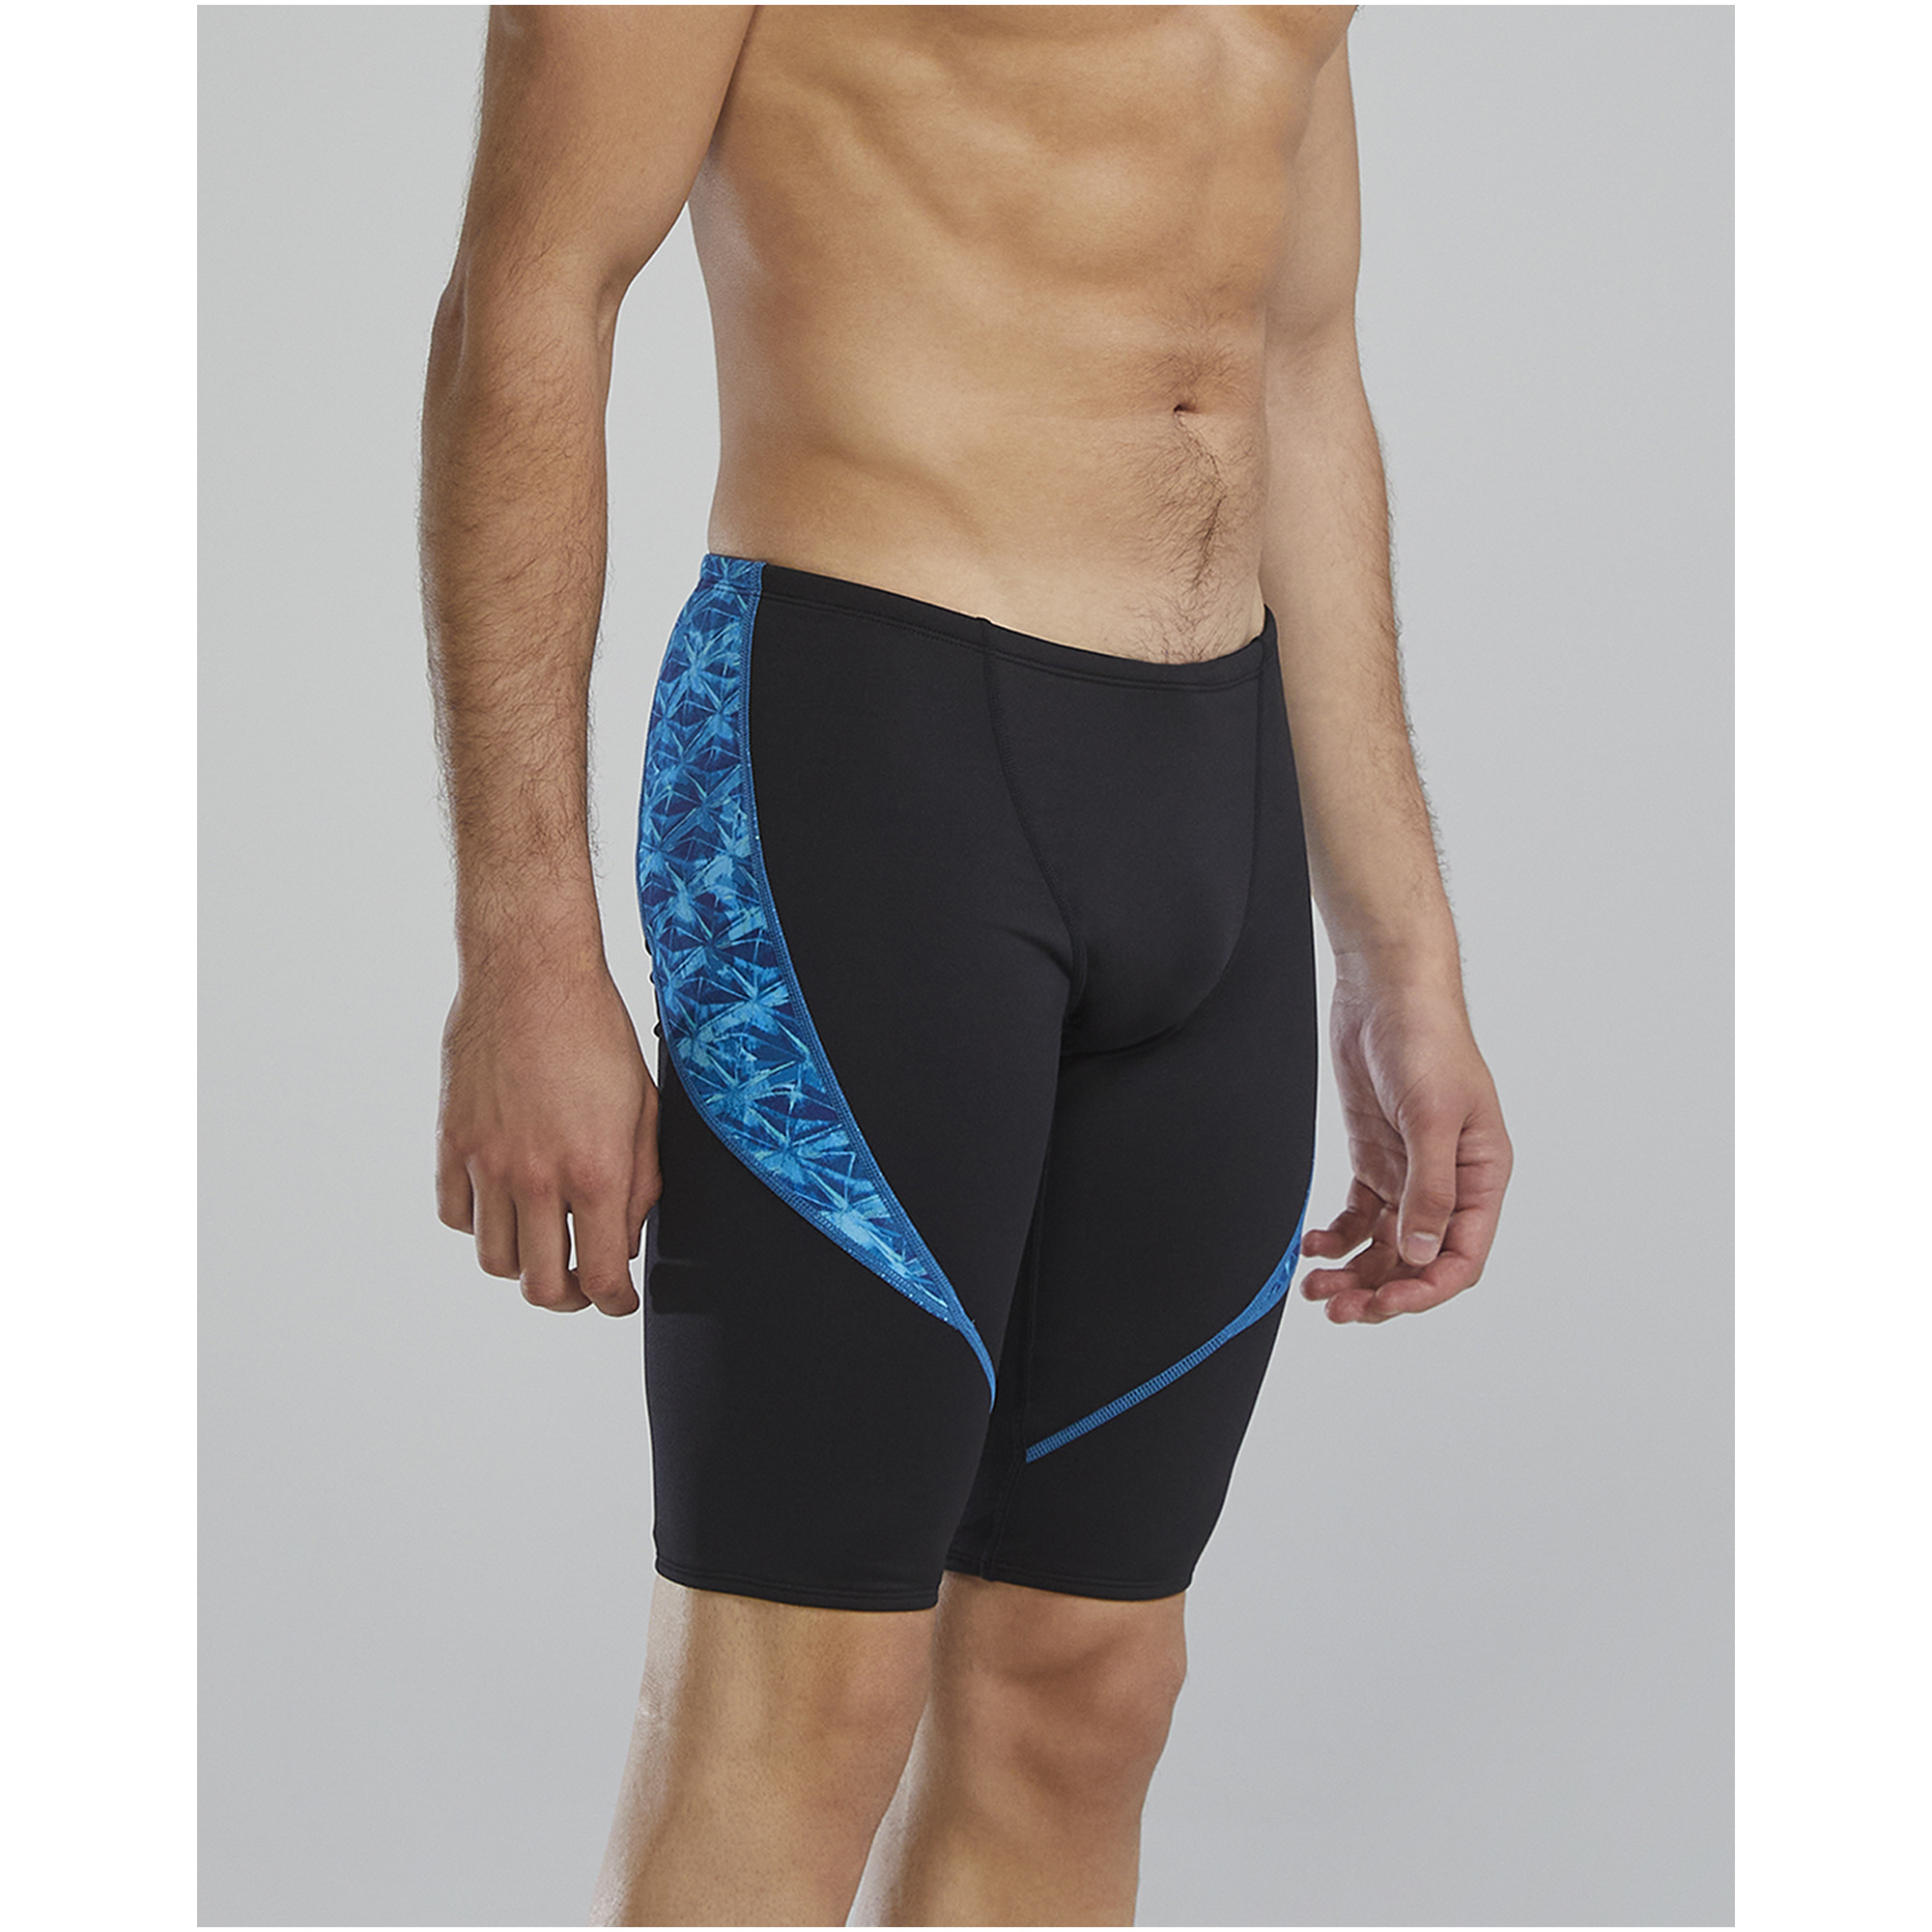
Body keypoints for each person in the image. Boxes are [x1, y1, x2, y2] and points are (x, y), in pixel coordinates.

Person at [419, 5, 1512, 1924]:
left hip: (1216, 796)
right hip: (868, 766)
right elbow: (532, 297)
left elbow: (1298, 358)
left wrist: (1400, 952)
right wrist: (524, 948)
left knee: (1086, 1688)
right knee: (805, 1698)